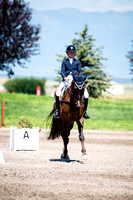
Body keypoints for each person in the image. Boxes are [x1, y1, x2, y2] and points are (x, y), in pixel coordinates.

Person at [54, 45, 90, 119]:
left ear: (75, 53)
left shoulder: (77, 62)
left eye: (73, 52)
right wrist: (64, 77)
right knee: (57, 93)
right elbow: (62, 71)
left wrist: (78, 77)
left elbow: (80, 71)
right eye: (70, 52)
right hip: (66, 79)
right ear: (67, 53)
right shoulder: (64, 62)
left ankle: (85, 112)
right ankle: (57, 111)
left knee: (86, 94)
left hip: (76, 79)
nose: (72, 53)